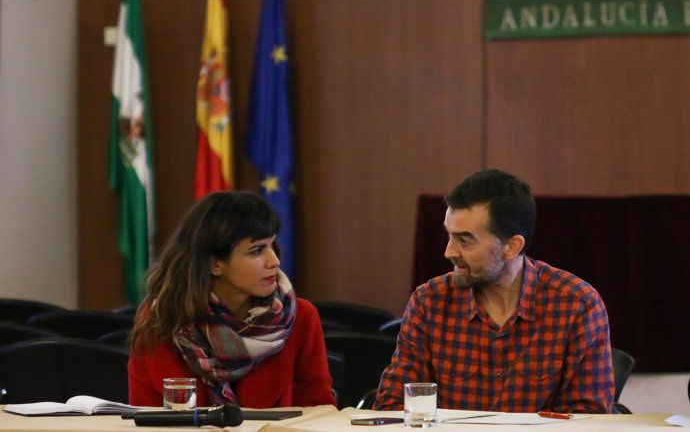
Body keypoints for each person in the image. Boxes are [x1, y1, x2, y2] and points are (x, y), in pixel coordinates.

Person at [374, 169, 614, 413]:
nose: (449, 252)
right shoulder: (429, 302)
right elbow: (393, 406)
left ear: (512, 246)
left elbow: (588, 419)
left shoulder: (576, 304)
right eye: (449, 236)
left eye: (464, 240)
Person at [128, 191, 336, 408]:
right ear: (214, 264)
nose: (274, 261)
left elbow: (319, 413)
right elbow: (144, 418)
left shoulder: (299, 316)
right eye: (257, 251)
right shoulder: (161, 319)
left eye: (272, 246)